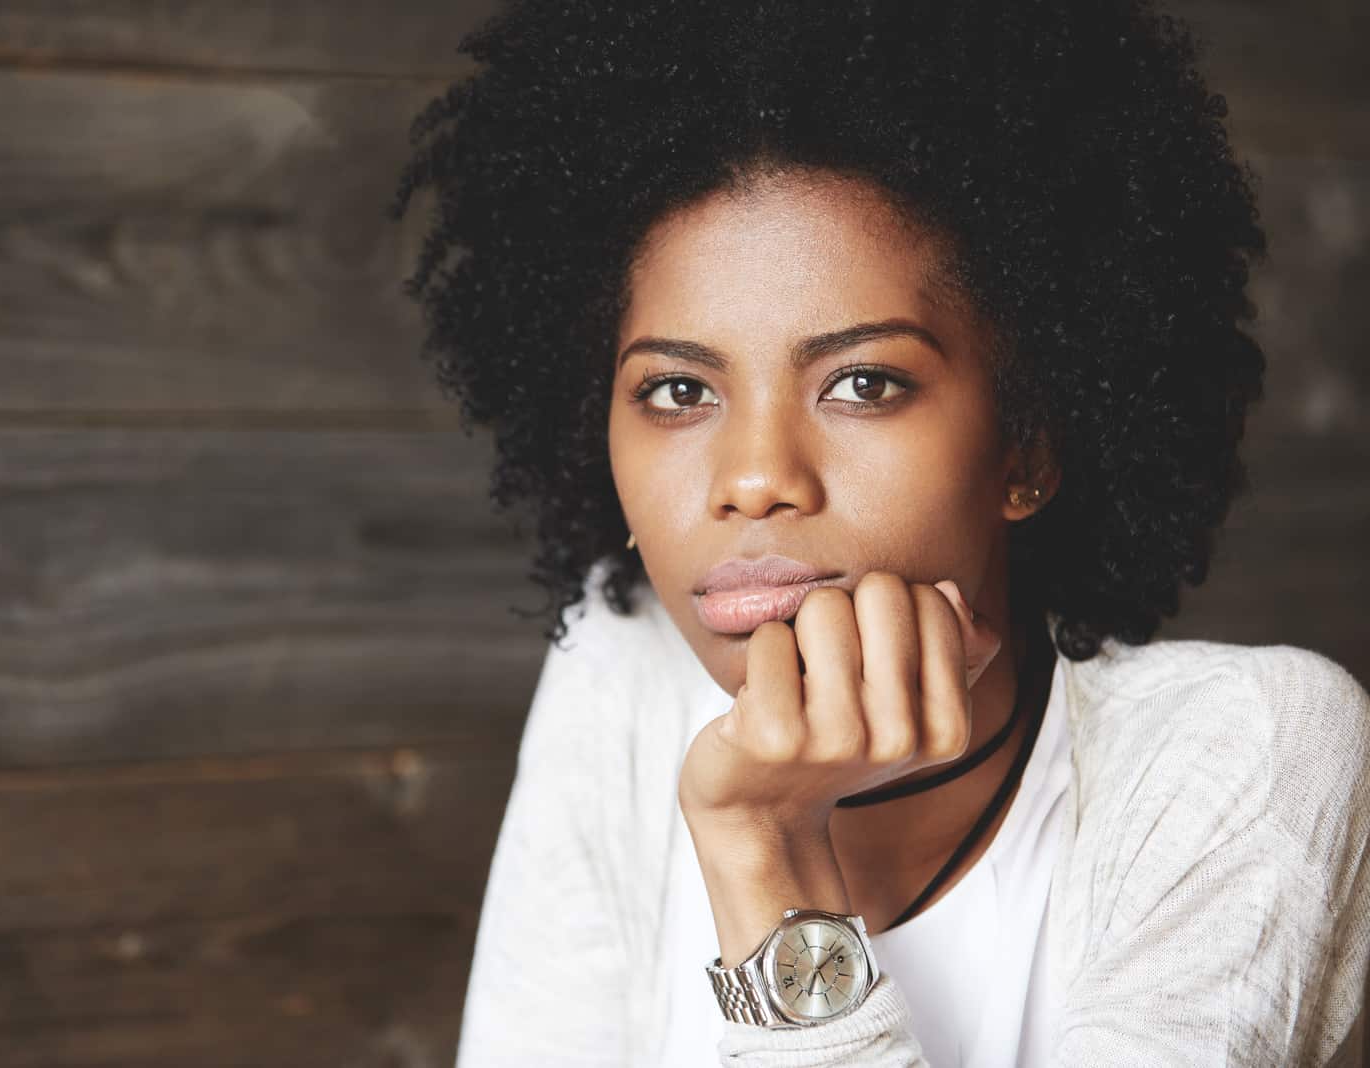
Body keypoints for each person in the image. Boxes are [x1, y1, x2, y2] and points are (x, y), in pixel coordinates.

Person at [388, 1, 1370, 1064]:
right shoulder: (621, 665)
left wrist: (763, 848)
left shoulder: (1246, 749)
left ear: (1025, 451)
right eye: (676, 390)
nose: (756, 478)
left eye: (862, 382)